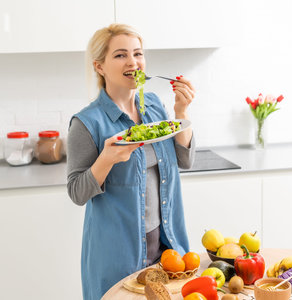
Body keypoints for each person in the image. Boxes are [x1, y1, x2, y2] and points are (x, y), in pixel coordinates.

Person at [67, 23, 196, 300]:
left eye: (138, 54)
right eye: (120, 55)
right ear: (99, 66)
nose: (133, 62)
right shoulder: (87, 123)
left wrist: (181, 112)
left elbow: (184, 160)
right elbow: (77, 192)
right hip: (118, 256)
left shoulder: (154, 106)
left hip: (169, 247)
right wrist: (106, 159)